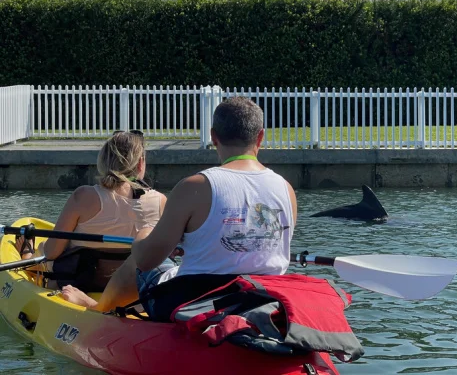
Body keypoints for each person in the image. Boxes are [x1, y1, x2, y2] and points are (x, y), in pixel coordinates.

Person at [63, 96, 297, 319]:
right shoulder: (287, 190)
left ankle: (97, 308)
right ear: (260, 137)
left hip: (196, 303)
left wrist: (143, 236)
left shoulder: (195, 187)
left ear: (214, 136)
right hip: (263, 300)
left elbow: (146, 261)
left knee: (140, 254)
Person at [15, 130, 171, 292]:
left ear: (104, 160)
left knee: (47, 248)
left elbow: (52, 253)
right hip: (131, 291)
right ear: (140, 164)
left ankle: (27, 257)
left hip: (81, 286)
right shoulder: (160, 202)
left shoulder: (84, 196)